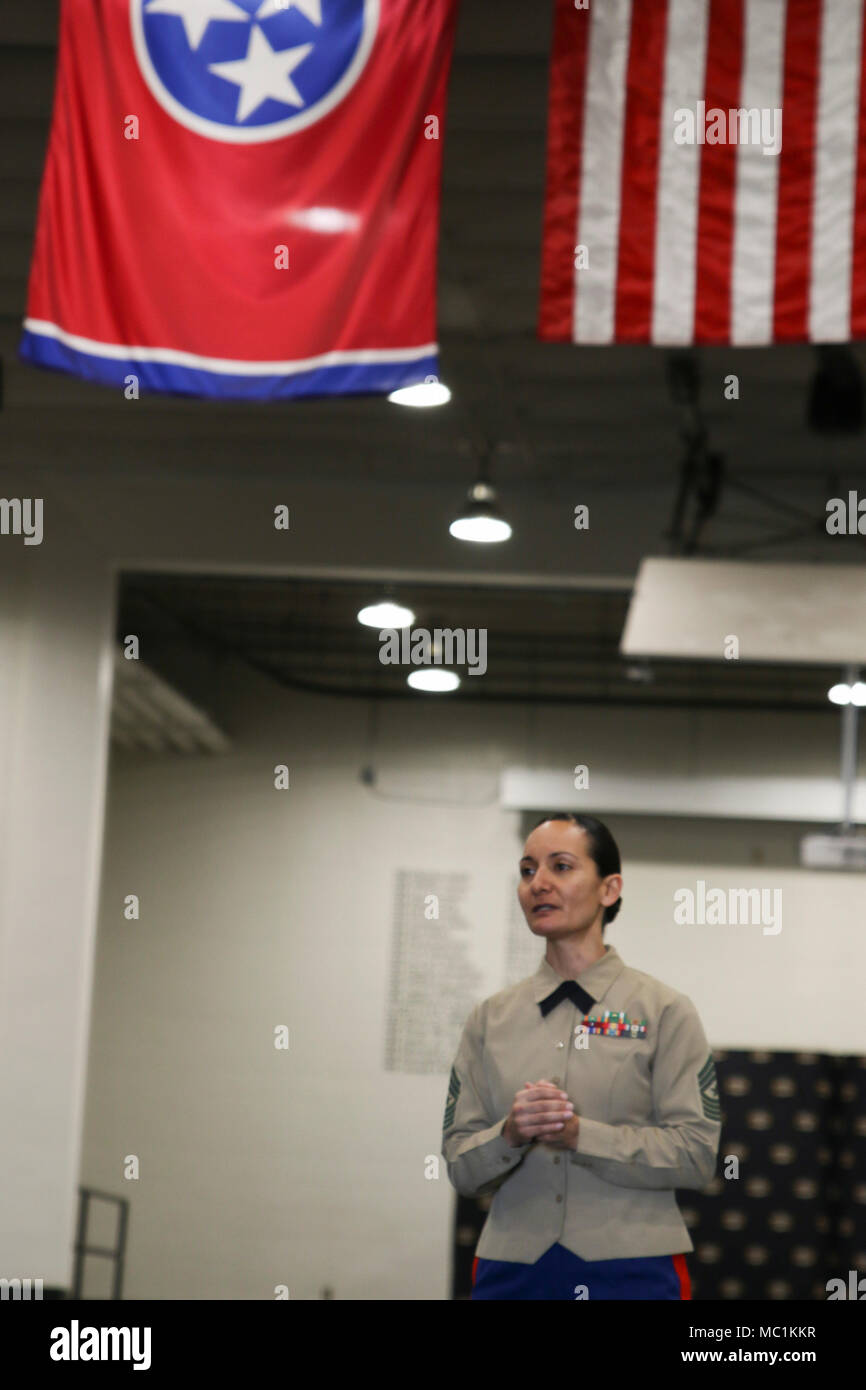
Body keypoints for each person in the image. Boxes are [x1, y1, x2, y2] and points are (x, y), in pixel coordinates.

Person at [441, 813, 721, 1301]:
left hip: (633, 1272)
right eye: (527, 870)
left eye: (561, 867)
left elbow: (696, 1155)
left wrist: (580, 1135)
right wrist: (509, 1133)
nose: (538, 884)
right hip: (512, 1274)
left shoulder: (665, 1012)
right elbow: (461, 1167)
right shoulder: (489, 1019)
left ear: (609, 889)